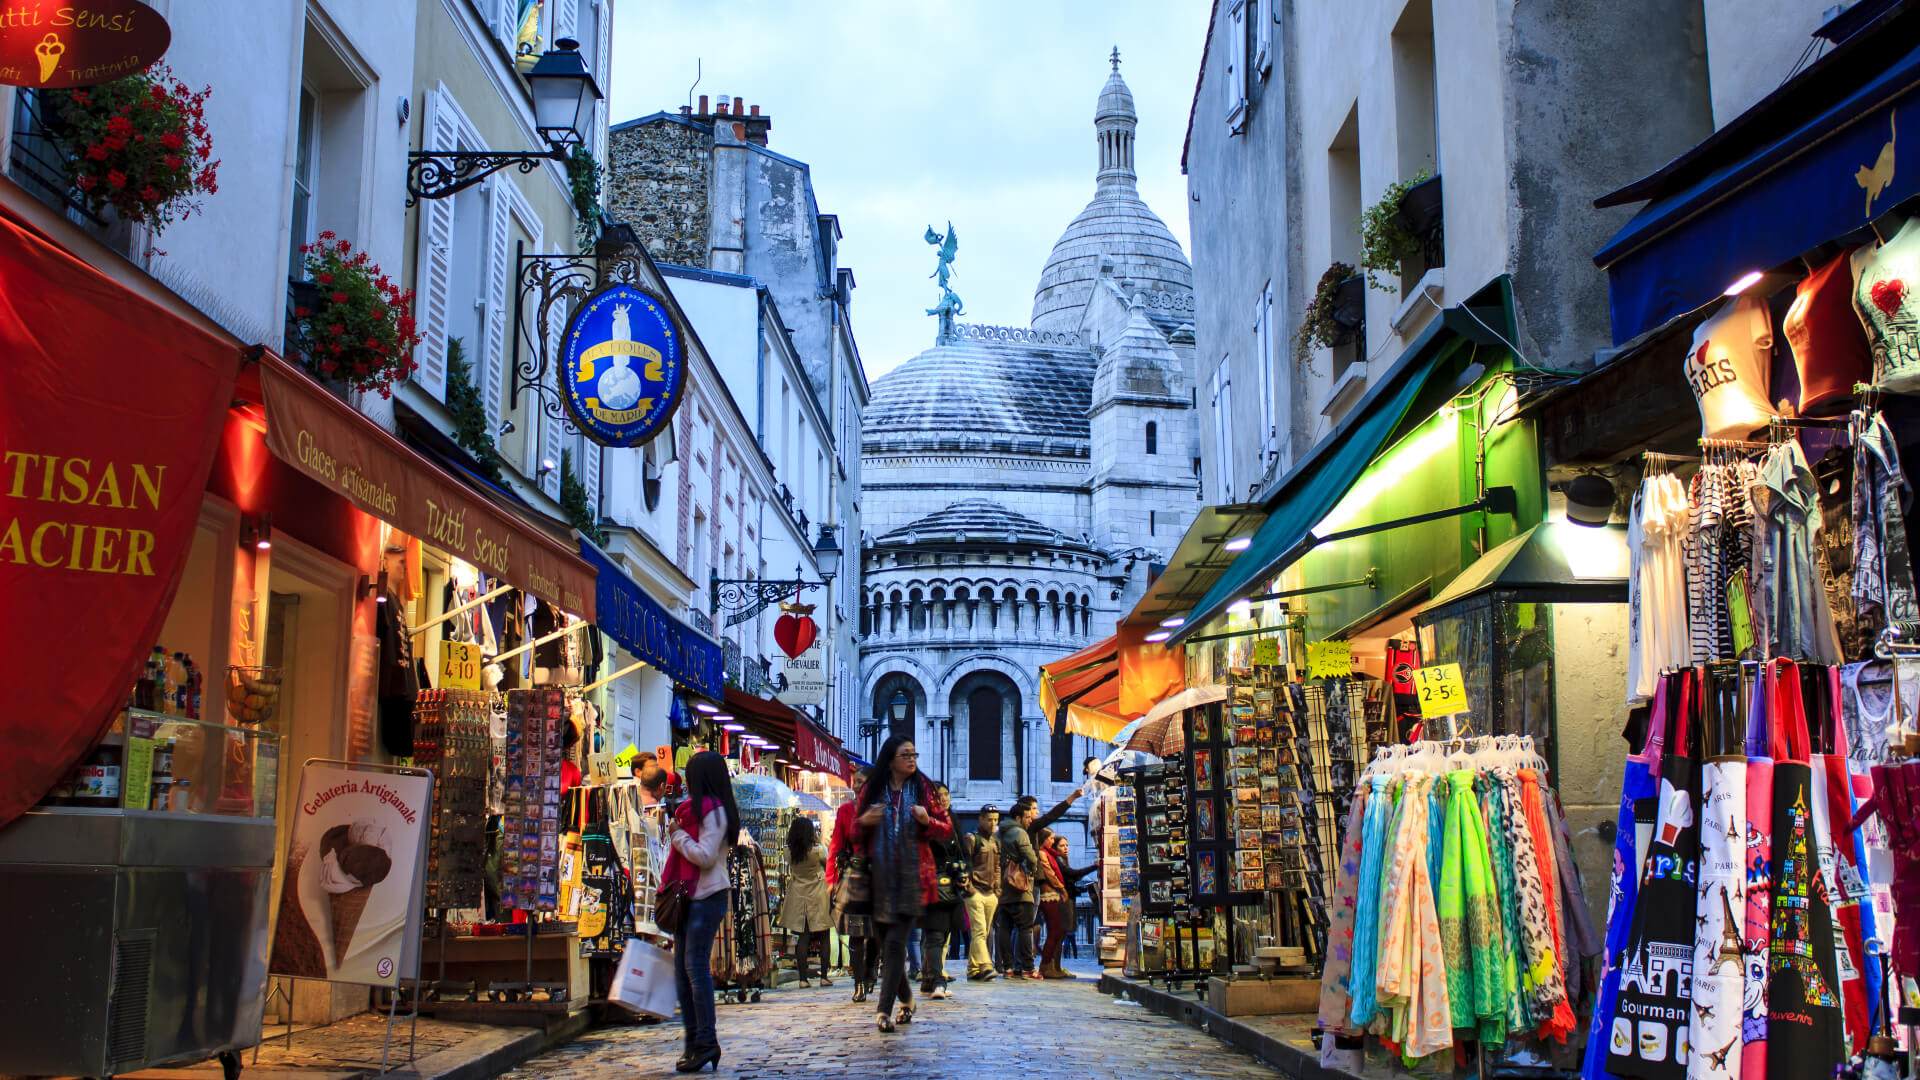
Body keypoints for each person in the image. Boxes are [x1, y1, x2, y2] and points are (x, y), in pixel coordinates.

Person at [856, 736, 953, 1032]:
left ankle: (883, 1010)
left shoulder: (924, 789)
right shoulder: (874, 789)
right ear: (890, 759)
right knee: (886, 946)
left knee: (896, 944)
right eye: (905, 754)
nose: (911, 759)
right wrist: (865, 822)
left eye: (914, 754)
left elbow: (946, 829)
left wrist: (927, 821)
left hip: (913, 877)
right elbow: (853, 831)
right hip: (880, 878)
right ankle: (907, 998)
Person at [664, 750, 741, 1073]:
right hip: (690, 896)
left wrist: (677, 836)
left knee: (695, 970)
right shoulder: (696, 811)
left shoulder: (714, 812)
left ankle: (706, 1042)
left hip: (707, 895)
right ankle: (694, 1043)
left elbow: (706, 856)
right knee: (684, 973)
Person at [827, 767, 877, 1002]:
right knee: (856, 934)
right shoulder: (845, 811)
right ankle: (858, 983)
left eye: (862, 782)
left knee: (876, 935)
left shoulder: (881, 812)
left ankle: (870, 974)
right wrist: (831, 880)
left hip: (878, 880)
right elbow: (836, 845)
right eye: (855, 782)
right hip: (855, 878)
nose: (857, 786)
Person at [918, 782, 962, 1000]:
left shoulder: (953, 820)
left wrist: (965, 874)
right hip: (931, 884)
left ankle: (928, 980)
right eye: (939, 796)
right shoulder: (924, 823)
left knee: (941, 935)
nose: (944, 799)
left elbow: (962, 853)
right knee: (935, 936)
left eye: (946, 794)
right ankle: (937, 981)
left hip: (951, 887)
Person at [780, 816, 832, 987]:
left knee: (803, 935)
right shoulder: (818, 850)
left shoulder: (789, 851)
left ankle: (803, 979)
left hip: (798, 893)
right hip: (818, 892)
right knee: (824, 934)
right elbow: (828, 864)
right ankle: (824, 977)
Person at [1036, 830, 1095, 978]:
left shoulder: (1057, 859)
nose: (1066, 848)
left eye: (1067, 845)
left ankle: (1055, 966)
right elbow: (1066, 875)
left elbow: (1068, 877)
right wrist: (1094, 866)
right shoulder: (1051, 858)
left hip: (1064, 896)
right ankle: (1050, 966)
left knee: (1060, 934)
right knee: (1057, 933)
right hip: (1057, 897)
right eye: (1062, 845)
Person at [995, 797, 1040, 979]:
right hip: (1020, 887)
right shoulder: (1019, 833)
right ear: (1019, 818)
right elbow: (1031, 857)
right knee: (1025, 927)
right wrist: (1030, 873)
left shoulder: (999, 833)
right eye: (1028, 817)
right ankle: (1028, 967)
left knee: (1004, 928)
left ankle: (1007, 967)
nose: (1031, 820)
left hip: (1003, 886)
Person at [961, 805, 1001, 981]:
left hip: (990, 892)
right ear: (981, 819)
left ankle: (972, 968)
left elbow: (998, 866)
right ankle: (986, 964)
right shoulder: (971, 839)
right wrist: (969, 887)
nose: (993, 823)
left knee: (983, 931)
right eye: (989, 819)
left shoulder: (995, 841)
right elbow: (963, 863)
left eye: (996, 820)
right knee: (979, 930)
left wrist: (998, 888)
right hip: (975, 890)